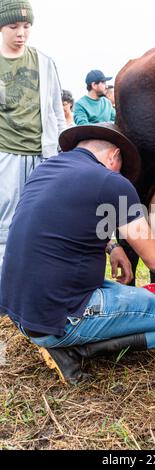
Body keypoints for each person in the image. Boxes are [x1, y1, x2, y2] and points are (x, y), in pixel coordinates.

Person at [0, 123, 155, 385]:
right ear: (114, 156)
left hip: (23, 314)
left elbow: (58, 224)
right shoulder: (112, 181)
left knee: (127, 296)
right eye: (121, 167)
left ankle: (65, 342)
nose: (121, 174)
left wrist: (112, 247)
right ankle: (74, 351)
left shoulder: (44, 170)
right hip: (59, 318)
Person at [0, 0, 65, 283]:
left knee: (40, 219)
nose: (21, 33)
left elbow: (55, 111)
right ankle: (5, 289)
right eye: (13, 26)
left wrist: (61, 149)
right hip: (5, 153)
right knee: (5, 223)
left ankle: (32, 284)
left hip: (42, 154)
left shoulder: (44, 62)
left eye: (26, 26)